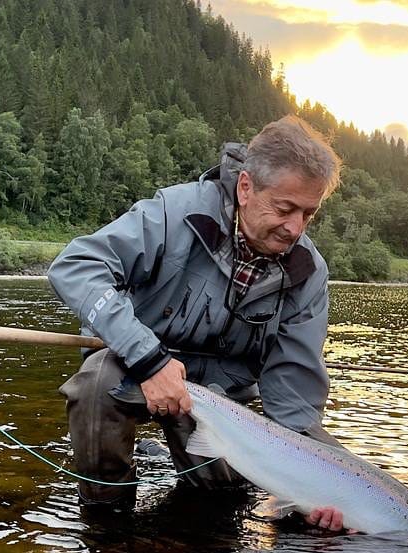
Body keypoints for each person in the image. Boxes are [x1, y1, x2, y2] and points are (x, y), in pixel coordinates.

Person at [47, 115, 348, 531]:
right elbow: (76, 267)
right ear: (246, 187)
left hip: (223, 400)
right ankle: (106, 524)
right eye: (284, 208)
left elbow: (293, 399)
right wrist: (149, 359)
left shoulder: (307, 272)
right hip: (135, 366)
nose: (295, 227)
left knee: (221, 509)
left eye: (308, 215)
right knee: (96, 384)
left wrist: (314, 489)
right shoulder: (176, 213)